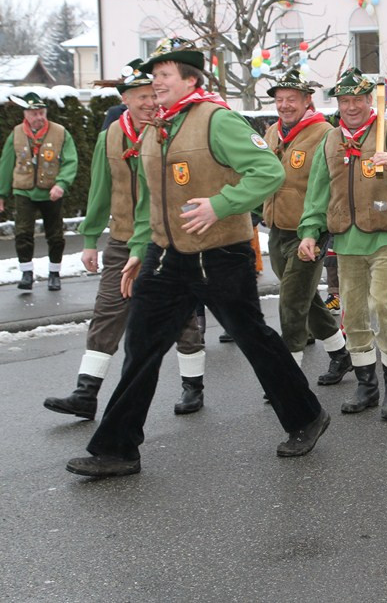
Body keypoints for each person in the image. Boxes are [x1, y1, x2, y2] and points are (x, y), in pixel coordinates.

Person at [65, 37, 328, 478]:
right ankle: (117, 449)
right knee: (141, 348)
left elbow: (269, 171)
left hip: (219, 256)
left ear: (189, 79)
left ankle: (305, 417)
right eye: (154, 76)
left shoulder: (216, 120)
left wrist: (220, 205)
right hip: (165, 257)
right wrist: (137, 249)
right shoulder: (156, 127)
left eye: (164, 75)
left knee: (254, 339)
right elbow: (152, 197)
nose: (156, 83)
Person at [44, 59, 206, 420]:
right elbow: (100, 190)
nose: (150, 102)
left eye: (153, 94)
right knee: (107, 313)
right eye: (141, 96)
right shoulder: (110, 136)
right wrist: (89, 239)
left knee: (180, 316)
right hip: (121, 238)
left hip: (165, 238)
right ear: (126, 100)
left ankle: (193, 385)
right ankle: (86, 393)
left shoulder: (170, 131)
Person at [297, 68, 387, 419]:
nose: (351, 107)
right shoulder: (331, 140)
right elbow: (318, 191)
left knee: (383, 306)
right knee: (354, 313)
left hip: (386, 235)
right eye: (344, 101)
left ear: (369, 101)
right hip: (346, 239)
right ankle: (367, 385)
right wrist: (309, 231)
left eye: (358, 100)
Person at [260, 68, 352, 384]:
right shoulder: (272, 132)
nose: (285, 105)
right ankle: (340, 354)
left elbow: (335, 183)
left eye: (292, 99)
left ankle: (289, 378)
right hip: (276, 228)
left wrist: (320, 227)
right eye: (280, 100)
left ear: (307, 101)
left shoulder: (324, 133)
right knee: (304, 298)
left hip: (308, 232)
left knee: (291, 304)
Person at [0, 91, 79, 291]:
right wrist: (1, 193)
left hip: (51, 191)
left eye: (42, 113)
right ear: (25, 114)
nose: (39, 117)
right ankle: (26, 273)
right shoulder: (16, 133)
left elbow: (71, 160)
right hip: (24, 191)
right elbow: (6, 164)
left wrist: (61, 184)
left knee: (55, 235)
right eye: (34, 114)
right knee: (23, 233)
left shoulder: (60, 132)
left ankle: (54, 273)